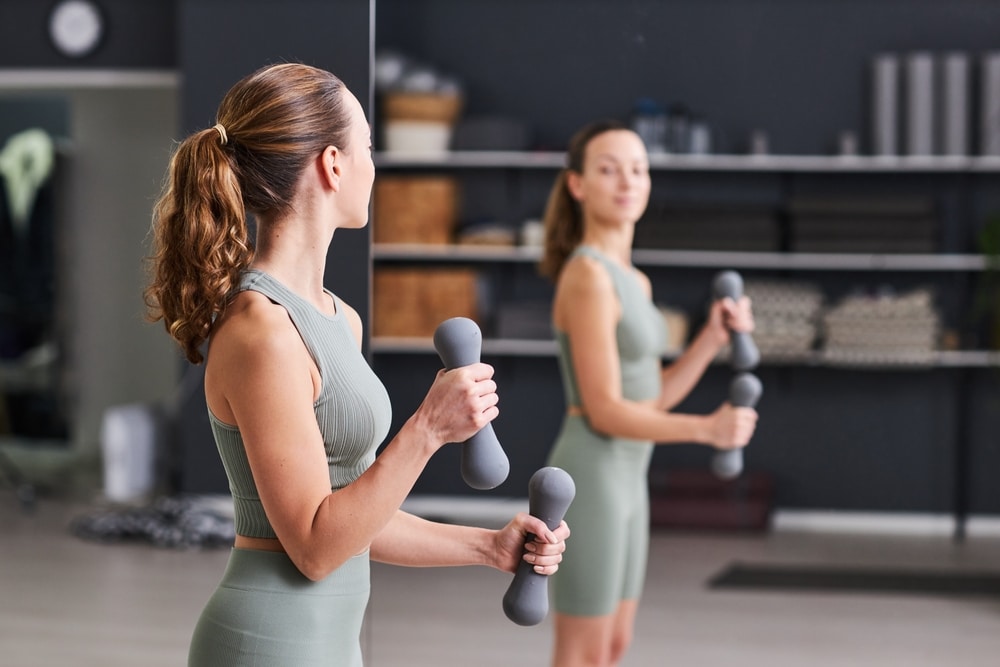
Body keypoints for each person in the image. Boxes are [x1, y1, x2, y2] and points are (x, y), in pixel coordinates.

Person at [143, 62, 570, 667]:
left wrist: (487, 546)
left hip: (331, 644)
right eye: (368, 146)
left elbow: (352, 519)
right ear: (333, 164)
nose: (375, 164)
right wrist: (427, 430)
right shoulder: (261, 331)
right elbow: (316, 547)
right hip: (268, 643)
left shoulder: (337, 319)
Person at [538, 120, 757, 666]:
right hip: (592, 475)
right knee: (582, 654)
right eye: (609, 169)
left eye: (638, 169)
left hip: (630, 478)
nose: (626, 181)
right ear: (578, 185)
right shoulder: (587, 276)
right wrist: (707, 429)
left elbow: (649, 396)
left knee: (613, 646)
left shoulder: (634, 281)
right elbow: (605, 410)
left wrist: (711, 339)